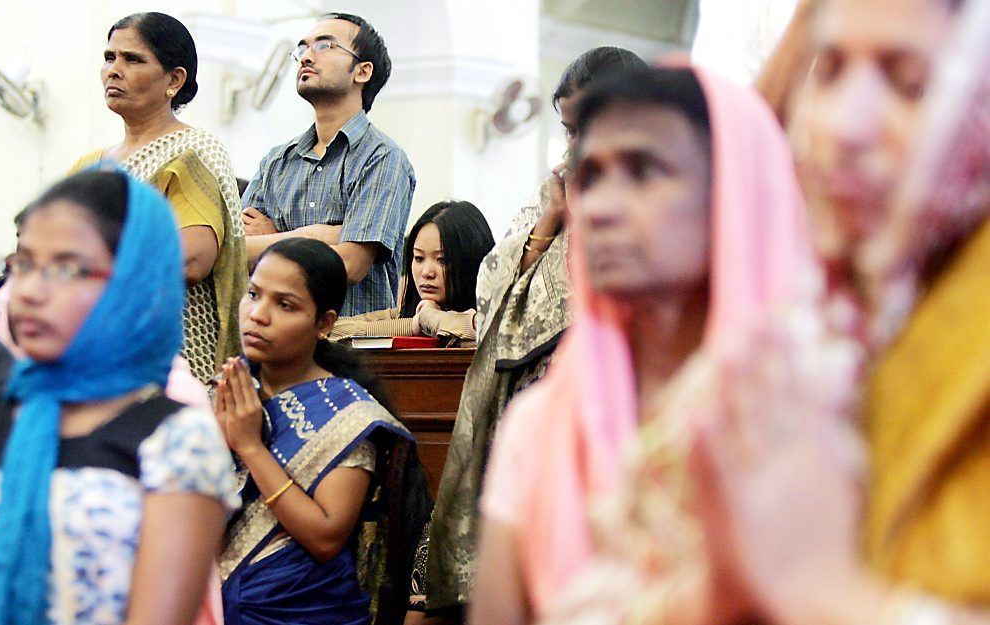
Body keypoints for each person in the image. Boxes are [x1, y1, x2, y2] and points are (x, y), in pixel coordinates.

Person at [469, 64, 825, 625]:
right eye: (591, 177)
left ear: (731, 193)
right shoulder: (543, 424)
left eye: (643, 170)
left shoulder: (814, 412)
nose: (600, 207)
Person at [690, 0, 990, 624]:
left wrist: (824, 593)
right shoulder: (815, 314)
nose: (845, 127)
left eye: (911, 83)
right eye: (827, 72)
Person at [416, 47, 646, 619]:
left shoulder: (655, 192)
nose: (575, 142)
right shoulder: (554, 192)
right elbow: (493, 291)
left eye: (587, 123)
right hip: (535, 395)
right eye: (568, 127)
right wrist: (551, 217)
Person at [0, 169, 238, 625]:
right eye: (22, 264)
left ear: (134, 282)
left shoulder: (178, 440)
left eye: (66, 269)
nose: (27, 292)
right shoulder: (4, 408)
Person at [217, 237, 430, 625]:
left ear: (324, 323)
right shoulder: (230, 389)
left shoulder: (348, 413)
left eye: (284, 305)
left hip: (306, 609)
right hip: (220, 602)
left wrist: (250, 447)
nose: (257, 314)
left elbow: (326, 538)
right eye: (252, 294)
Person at [73, 12, 247, 384]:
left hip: (175, 363)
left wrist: (87, 267)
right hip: (95, 357)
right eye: (109, 58)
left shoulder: (192, 150)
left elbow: (192, 259)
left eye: (132, 59)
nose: (113, 70)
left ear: (174, 79)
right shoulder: (88, 168)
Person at [241, 12, 415, 318]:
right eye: (302, 48)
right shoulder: (276, 161)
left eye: (324, 46)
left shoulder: (382, 157)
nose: (307, 56)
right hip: (276, 346)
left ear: (362, 71)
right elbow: (238, 253)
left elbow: (350, 264)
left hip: (351, 348)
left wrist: (272, 241)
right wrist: (317, 235)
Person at [329, 200, 494, 346]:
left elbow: (488, 333)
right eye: (419, 258)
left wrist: (433, 319)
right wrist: (413, 326)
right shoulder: (408, 314)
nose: (427, 273)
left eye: (443, 260)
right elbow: (328, 329)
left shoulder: (498, 317)